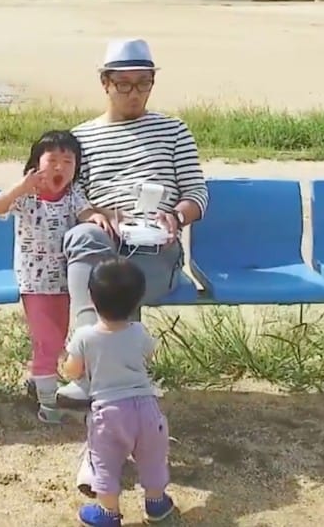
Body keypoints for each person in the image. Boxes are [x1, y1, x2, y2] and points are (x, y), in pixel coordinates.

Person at [59, 37, 209, 407]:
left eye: (144, 83)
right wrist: (93, 213)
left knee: (120, 277)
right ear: (105, 83)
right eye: (124, 85)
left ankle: (88, 375)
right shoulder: (83, 137)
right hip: (105, 244)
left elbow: (197, 195)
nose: (135, 94)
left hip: (155, 249)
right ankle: (110, 379)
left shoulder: (174, 132)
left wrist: (176, 215)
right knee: (84, 236)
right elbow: (74, 196)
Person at [0, 130, 113, 424]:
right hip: (35, 282)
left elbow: (85, 213)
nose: (60, 168)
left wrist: (94, 217)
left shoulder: (72, 196)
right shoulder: (26, 196)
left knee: (61, 337)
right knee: (47, 340)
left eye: (68, 162)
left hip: (66, 281)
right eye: (52, 160)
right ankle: (48, 406)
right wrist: (20, 187)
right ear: (36, 163)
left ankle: (39, 382)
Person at [61, 257, 175, 527]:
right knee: (152, 458)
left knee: (106, 463)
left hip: (109, 412)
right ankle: (156, 504)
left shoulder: (85, 337)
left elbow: (73, 371)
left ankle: (108, 514)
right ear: (137, 301)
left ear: (90, 297)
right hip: (146, 408)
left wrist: (66, 365)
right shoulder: (138, 331)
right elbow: (150, 354)